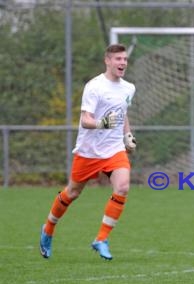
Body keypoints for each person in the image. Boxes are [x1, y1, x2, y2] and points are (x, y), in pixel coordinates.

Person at [39, 43, 137, 261]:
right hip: (89, 151)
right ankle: (48, 229)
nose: (122, 63)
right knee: (72, 193)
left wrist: (127, 135)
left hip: (114, 149)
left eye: (125, 59)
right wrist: (103, 123)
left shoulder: (128, 88)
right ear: (107, 61)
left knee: (122, 187)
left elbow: (122, 114)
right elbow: (85, 120)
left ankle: (101, 239)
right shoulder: (94, 87)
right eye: (118, 59)